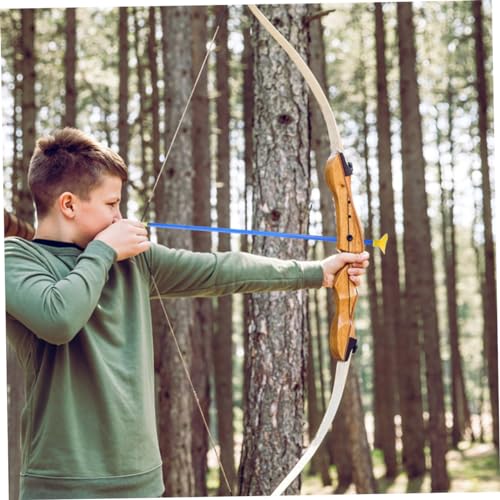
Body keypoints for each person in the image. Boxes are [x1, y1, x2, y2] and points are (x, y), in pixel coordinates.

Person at [5, 127, 369, 499]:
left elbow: (220, 269)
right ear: (69, 205)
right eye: (111, 204)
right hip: (61, 485)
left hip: (141, 482)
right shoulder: (16, 259)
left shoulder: (133, 260)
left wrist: (317, 272)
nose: (120, 216)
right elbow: (59, 319)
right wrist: (103, 253)